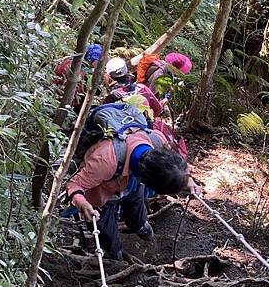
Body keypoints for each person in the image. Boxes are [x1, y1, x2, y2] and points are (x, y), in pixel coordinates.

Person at [66, 124, 199, 260]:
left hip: (131, 186)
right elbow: (74, 184)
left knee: (137, 209)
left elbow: (175, 162)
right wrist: (81, 202)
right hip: (102, 196)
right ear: (147, 180)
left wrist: (186, 179)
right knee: (108, 237)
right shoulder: (105, 160)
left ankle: (139, 226)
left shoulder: (158, 140)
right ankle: (114, 256)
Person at [54, 43, 103, 107]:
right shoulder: (85, 70)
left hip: (55, 92)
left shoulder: (68, 60)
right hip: (68, 100)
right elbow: (91, 90)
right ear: (93, 59)